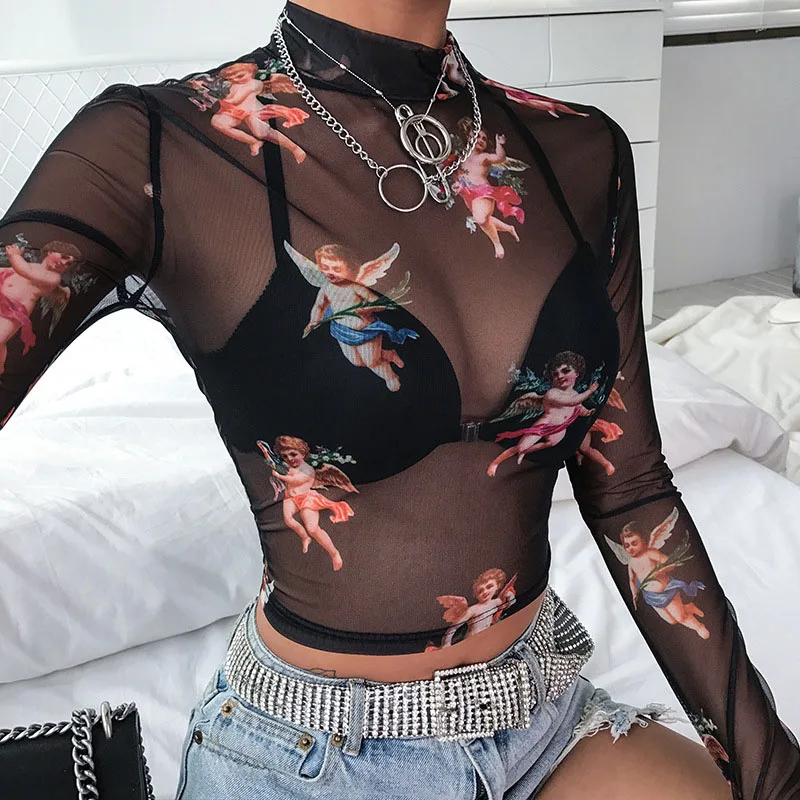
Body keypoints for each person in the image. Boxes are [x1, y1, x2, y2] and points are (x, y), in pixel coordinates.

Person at [1, 1, 798, 799]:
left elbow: (631, 492)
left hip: (545, 717)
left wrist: (775, 776)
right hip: (314, 759)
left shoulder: (582, 149)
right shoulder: (156, 143)